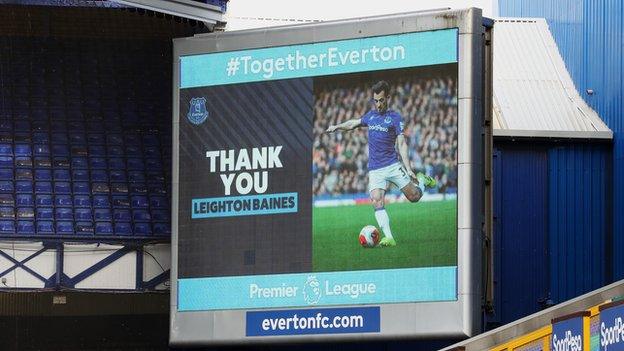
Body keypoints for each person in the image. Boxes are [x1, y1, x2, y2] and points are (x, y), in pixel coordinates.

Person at [325, 80, 435, 247]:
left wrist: (409, 169)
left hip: (392, 165)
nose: (378, 104)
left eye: (381, 100)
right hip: (375, 169)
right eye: (375, 100)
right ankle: (389, 237)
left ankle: (422, 181)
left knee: (414, 197)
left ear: (387, 98)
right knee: (377, 200)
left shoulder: (395, 118)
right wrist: (337, 126)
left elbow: (402, 144)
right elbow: (353, 123)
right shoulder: (371, 116)